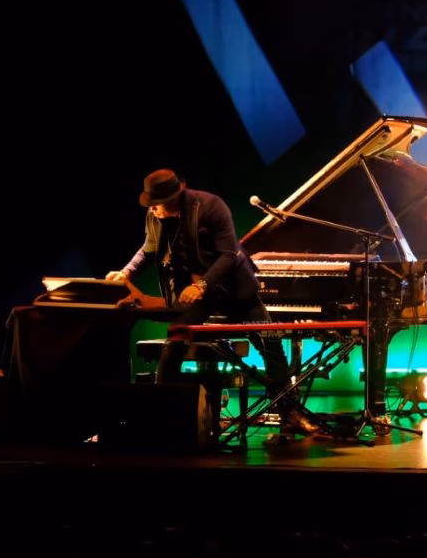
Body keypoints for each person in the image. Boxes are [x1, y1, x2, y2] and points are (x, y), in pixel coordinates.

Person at [105, 169, 319, 436]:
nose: (153, 209)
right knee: (175, 341)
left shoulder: (210, 206)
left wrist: (202, 284)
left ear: (174, 198)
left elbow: (229, 254)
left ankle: (290, 414)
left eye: (157, 204)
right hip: (198, 294)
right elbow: (148, 249)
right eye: (151, 204)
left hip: (233, 288)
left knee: (271, 344)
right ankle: (159, 416)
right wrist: (126, 272)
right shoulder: (156, 216)